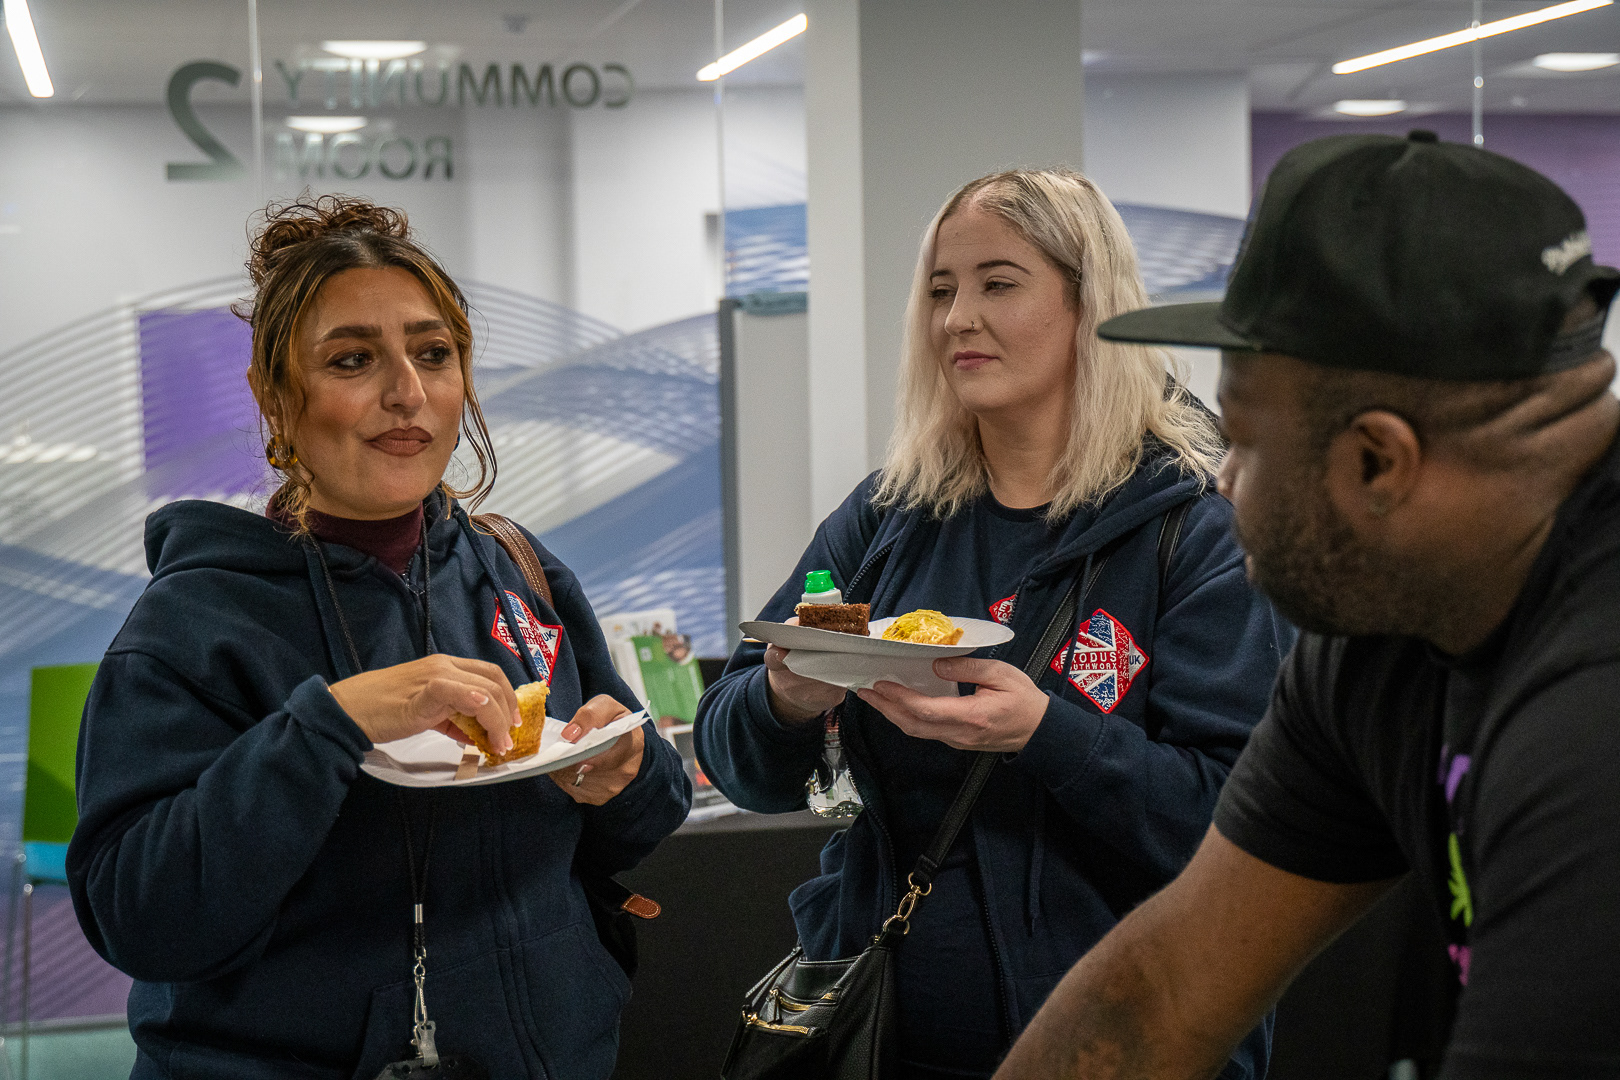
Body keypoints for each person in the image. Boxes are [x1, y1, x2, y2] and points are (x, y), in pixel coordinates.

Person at [995, 132, 1620, 1080]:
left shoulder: (1593, 732)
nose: (1223, 482)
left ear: (1378, 461)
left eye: (1245, 442)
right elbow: (1160, 995)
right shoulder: (1392, 623)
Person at [66, 196, 691, 1080]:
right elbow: (139, 917)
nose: (408, 392)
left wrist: (624, 774)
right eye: (353, 359)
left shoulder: (518, 572)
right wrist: (328, 727)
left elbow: (643, 816)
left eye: (433, 354)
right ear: (273, 395)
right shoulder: (195, 624)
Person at [694, 168, 1292, 1079]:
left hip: (1125, 1043)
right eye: (941, 290)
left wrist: (1045, 733)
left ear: (1090, 303)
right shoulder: (890, 515)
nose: (957, 319)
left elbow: (1238, 828)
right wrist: (786, 698)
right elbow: (738, 758)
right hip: (877, 1035)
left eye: (998, 284)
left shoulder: (1194, 524)